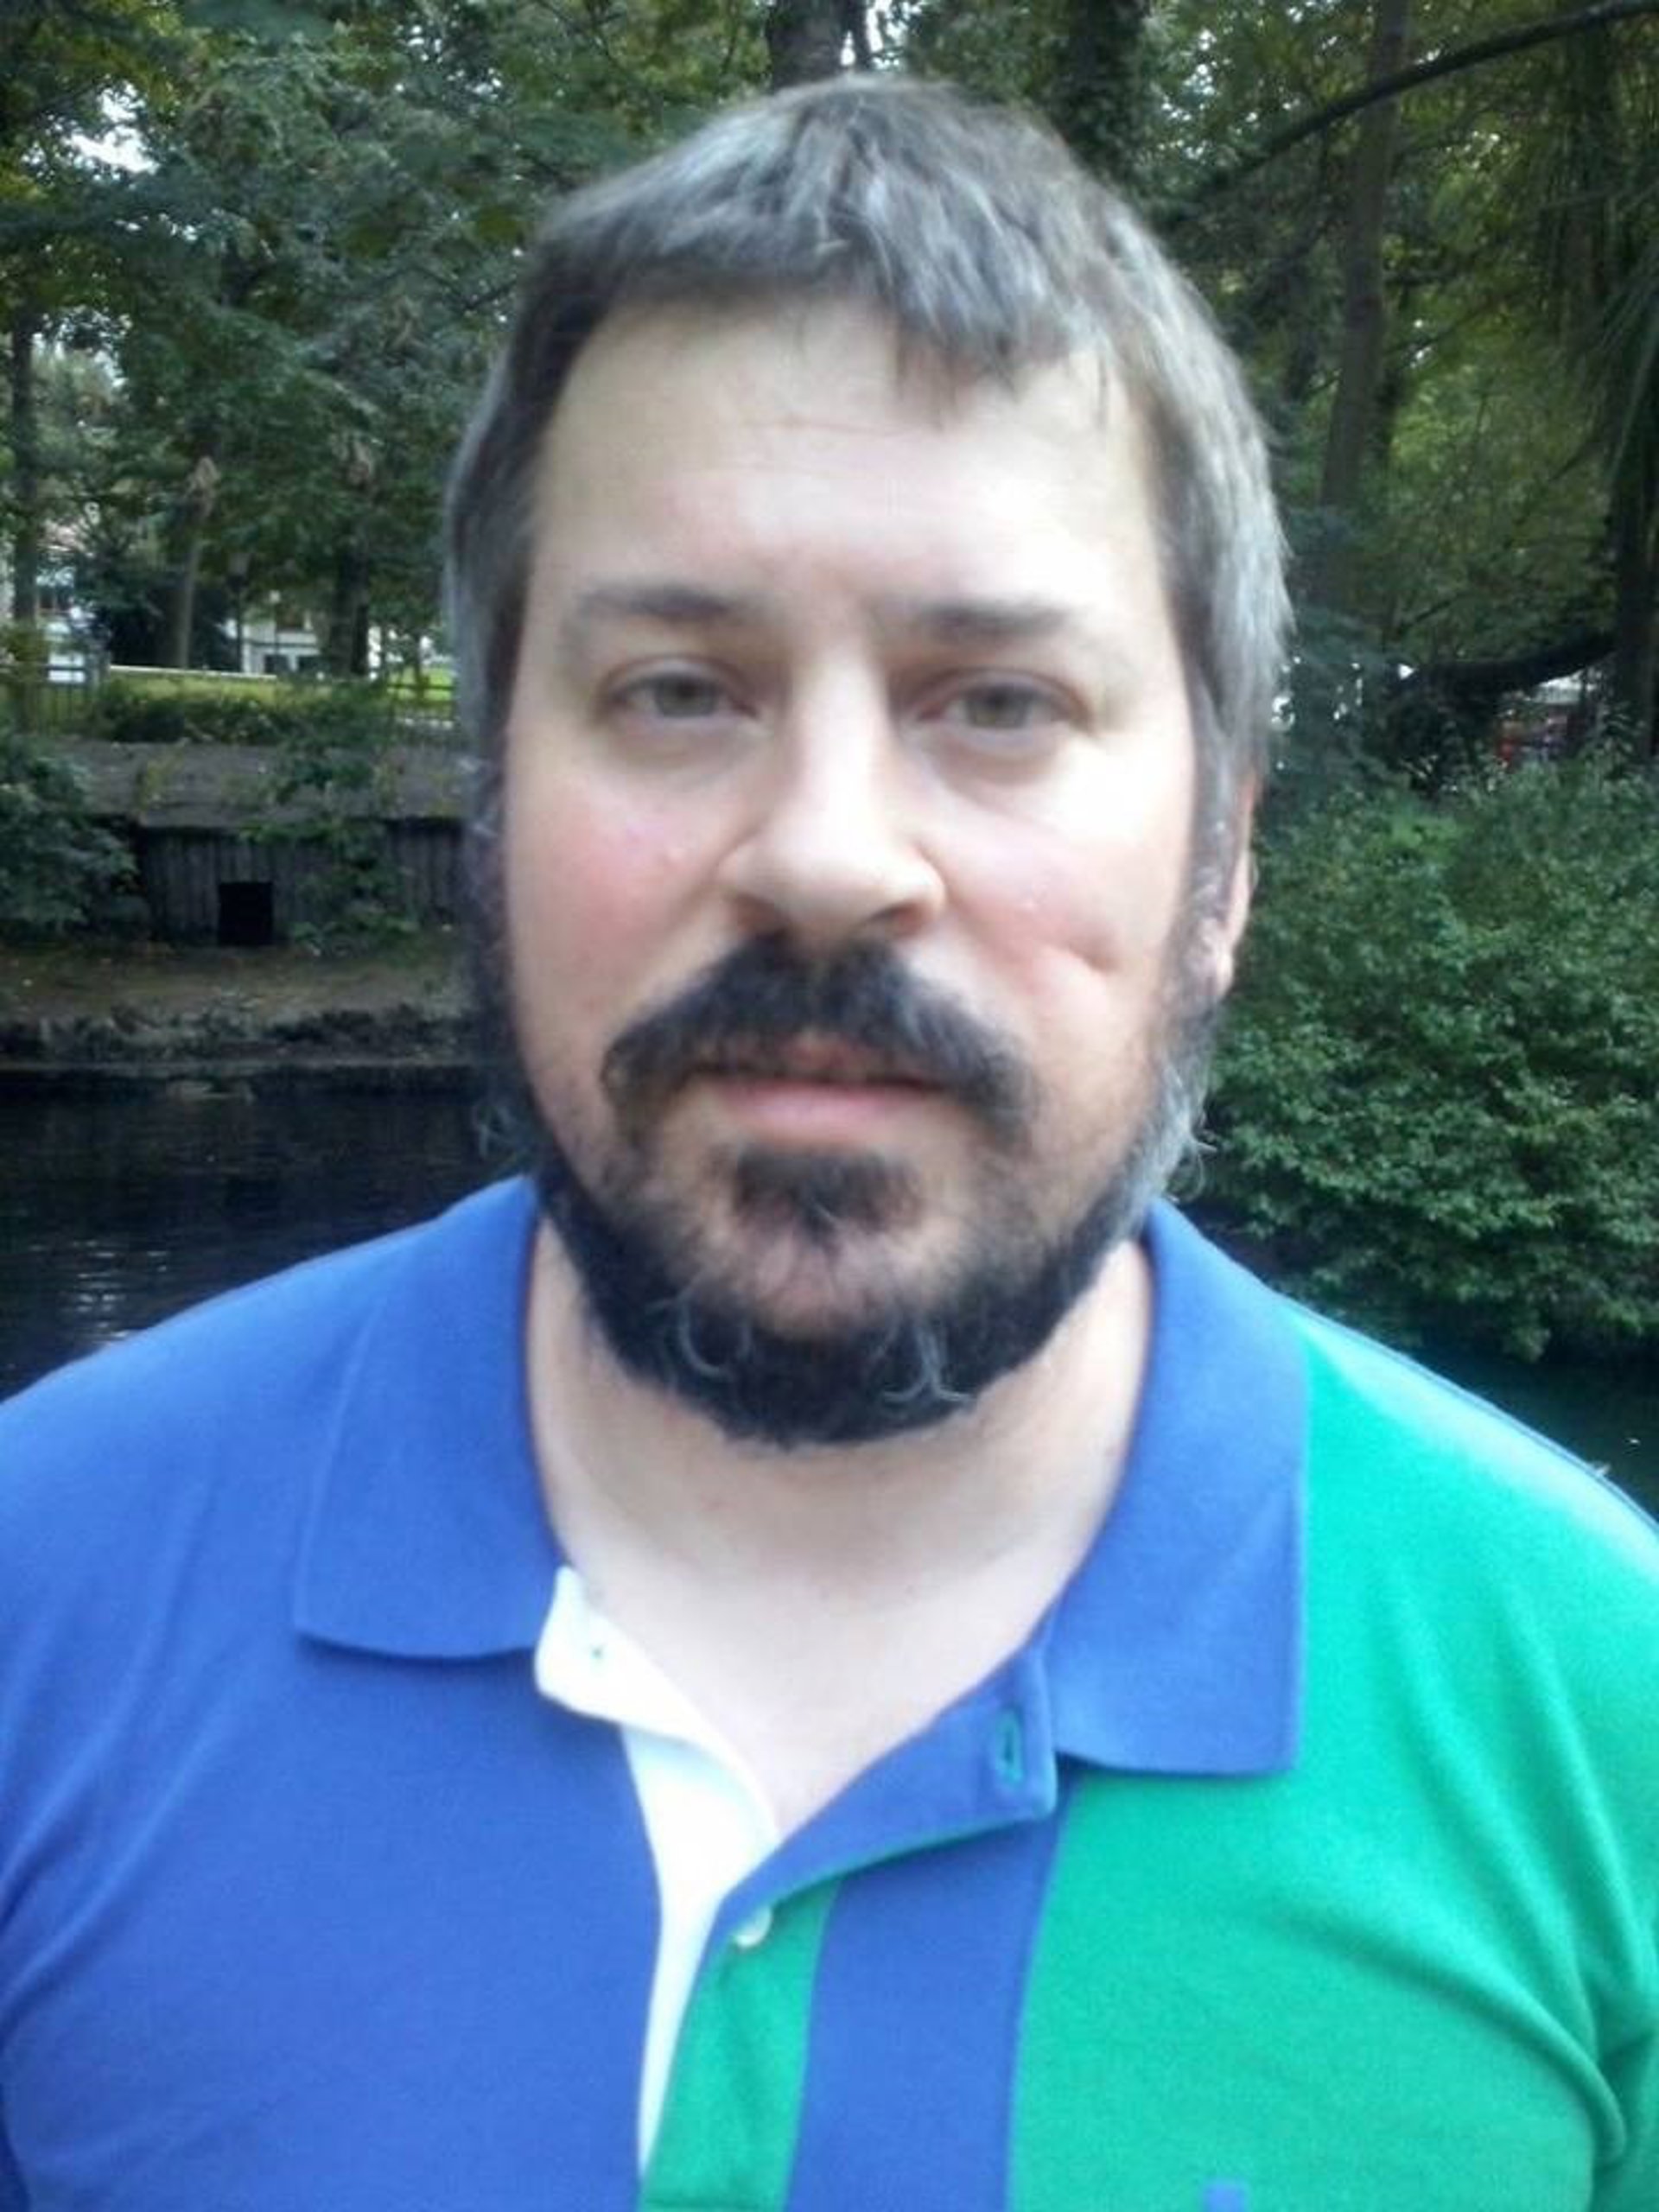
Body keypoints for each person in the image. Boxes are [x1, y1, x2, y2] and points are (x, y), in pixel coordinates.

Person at [1, 77, 1655, 2212]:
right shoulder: (41, 1588)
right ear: (494, 806)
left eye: (999, 702)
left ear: (1224, 860)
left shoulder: (1604, 1712)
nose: (825, 856)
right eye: (679, 688)